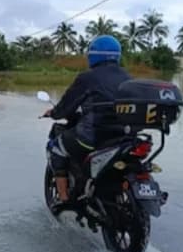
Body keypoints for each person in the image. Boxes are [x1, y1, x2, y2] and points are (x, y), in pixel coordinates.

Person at [43, 35, 132, 214]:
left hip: (93, 137)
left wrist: (53, 113)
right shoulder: (127, 77)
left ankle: (63, 199)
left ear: (93, 55)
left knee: (56, 147)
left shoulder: (87, 77)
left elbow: (66, 107)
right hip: (124, 136)